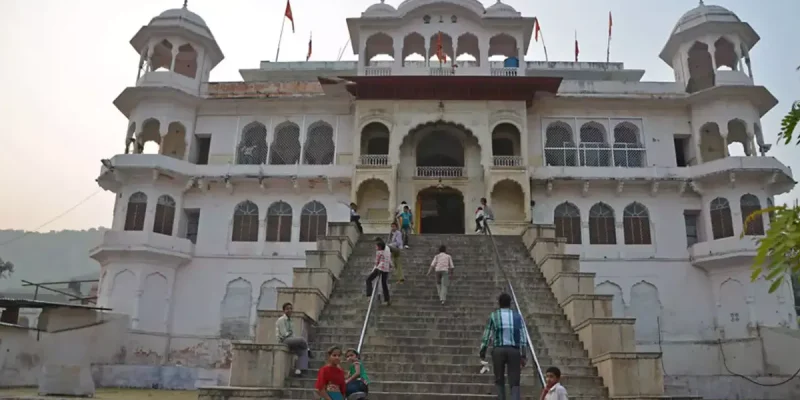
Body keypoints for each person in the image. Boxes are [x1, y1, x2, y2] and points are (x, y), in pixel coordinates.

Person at [479, 293, 528, 400]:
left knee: (499, 379)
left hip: (498, 350)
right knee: (515, 380)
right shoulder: (517, 316)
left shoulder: (494, 315)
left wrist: (483, 350)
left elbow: (487, 335)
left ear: (499, 303)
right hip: (514, 350)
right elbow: (523, 336)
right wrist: (523, 355)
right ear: (510, 303)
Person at [275, 302, 311, 376]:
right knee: (301, 340)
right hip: (283, 340)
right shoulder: (281, 320)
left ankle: (299, 369)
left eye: (291, 309)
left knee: (302, 349)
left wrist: (293, 337)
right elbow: (283, 333)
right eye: (287, 309)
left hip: (290, 339)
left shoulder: (291, 321)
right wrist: (290, 334)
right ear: (284, 310)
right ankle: (308, 350)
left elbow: (292, 333)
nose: (289, 310)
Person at [366, 240, 391, 306]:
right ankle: (387, 299)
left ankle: (369, 295)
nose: (375, 247)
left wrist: (374, 269)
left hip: (380, 268)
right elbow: (389, 262)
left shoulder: (379, 252)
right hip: (386, 269)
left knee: (368, 279)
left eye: (376, 246)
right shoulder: (387, 252)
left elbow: (377, 262)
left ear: (379, 247)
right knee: (384, 284)